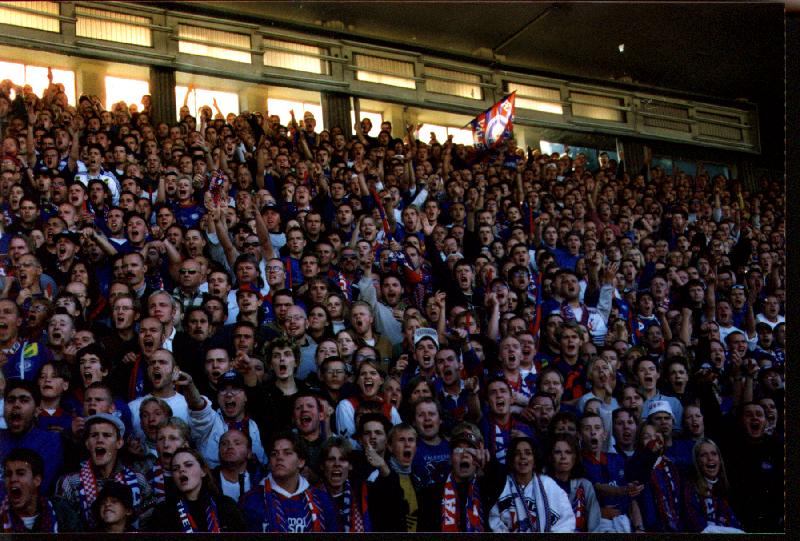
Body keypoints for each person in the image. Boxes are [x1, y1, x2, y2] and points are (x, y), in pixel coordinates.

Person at [240, 431, 338, 532]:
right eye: (274, 454)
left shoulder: (322, 500)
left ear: (301, 462)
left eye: (287, 453)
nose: (279, 457)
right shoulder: (251, 500)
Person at [488, 436, 575, 532]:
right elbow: (494, 519)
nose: (523, 457)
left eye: (528, 453)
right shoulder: (502, 484)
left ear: (534, 461)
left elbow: (566, 522)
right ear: (512, 461)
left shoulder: (549, 485)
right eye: (517, 454)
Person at [148, 446, 245, 532]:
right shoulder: (163, 513)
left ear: (203, 471)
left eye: (188, 465)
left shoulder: (225, 505)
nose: (181, 470)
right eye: (176, 468)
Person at [1, 448, 80, 532]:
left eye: (20, 473)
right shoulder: (1, 516)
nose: (13, 479)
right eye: (8, 474)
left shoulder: (62, 513)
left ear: (37, 480)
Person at [682, 438, 743, 533]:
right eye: (703, 455)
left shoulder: (723, 489)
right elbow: (699, 528)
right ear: (697, 461)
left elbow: (736, 525)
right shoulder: (690, 489)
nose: (710, 458)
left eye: (714, 454)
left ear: (719, 459)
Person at [547, 433, 601, 532]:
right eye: (558, 452)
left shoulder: (585, 486)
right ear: (551, 457)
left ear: (575, 456)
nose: (563, 457)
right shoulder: (542, 485)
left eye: (568, 452)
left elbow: (595, 526)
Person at [319, 436, 370, 532]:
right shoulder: (312, 498)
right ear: (322, 465)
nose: (337, 464)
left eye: (342, 459)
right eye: (331, 459)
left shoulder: (361, 494)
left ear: (350, 466)